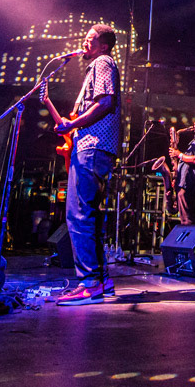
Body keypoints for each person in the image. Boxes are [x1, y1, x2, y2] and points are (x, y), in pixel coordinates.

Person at [44, 24, 120, 306]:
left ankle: (89, 284)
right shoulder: (98, 66)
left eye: (91, 39)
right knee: (90, 216)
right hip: (95, 147)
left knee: (78, 215)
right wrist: (72, 124)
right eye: (85, 38)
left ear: (104, 46)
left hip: (92, 147)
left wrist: (73, 124)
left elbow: (106, 102)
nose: (85, 42)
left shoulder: (103, 62)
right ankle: (101, 280)